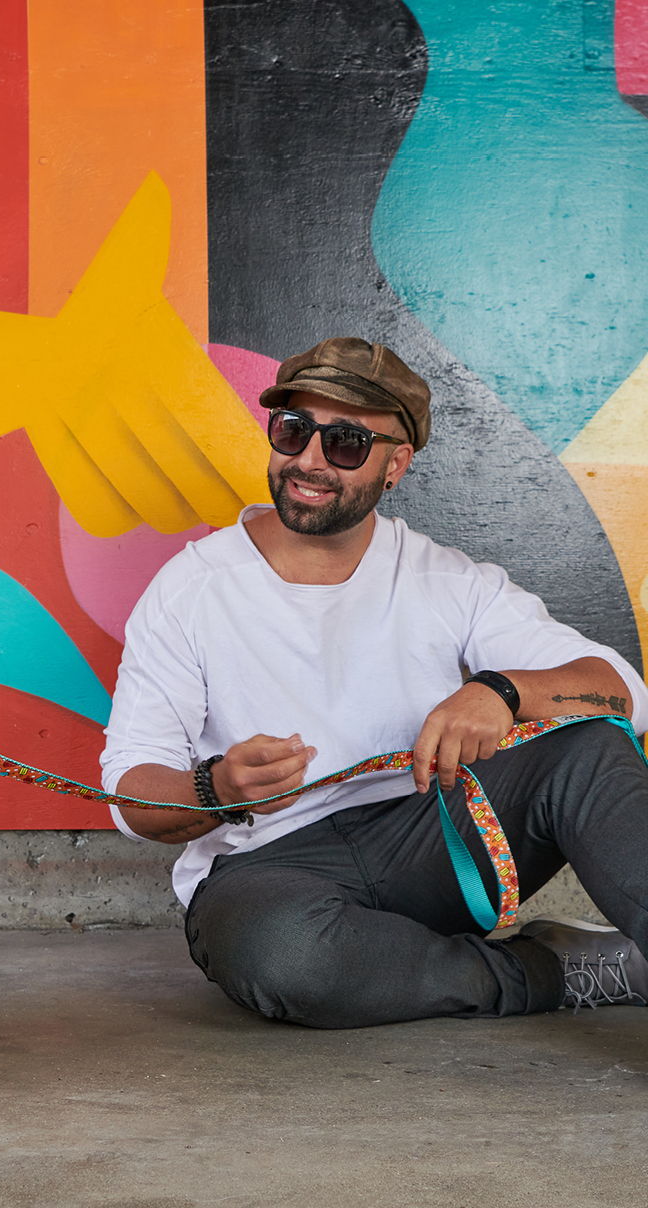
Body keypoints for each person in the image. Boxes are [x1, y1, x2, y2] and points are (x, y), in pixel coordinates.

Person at [100, 337, 648, 1027]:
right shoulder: (190, 589)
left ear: (396, 464)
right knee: (286, 956)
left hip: (429, 841)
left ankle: (419, 967)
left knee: (589, 748)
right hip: (273, 871)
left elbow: (623, 694)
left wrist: (503, 692)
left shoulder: (447, 579)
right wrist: (218, 790)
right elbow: (130, 793)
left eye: (346, 442)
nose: (309, 460)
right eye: (293, 430)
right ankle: (551, 971)